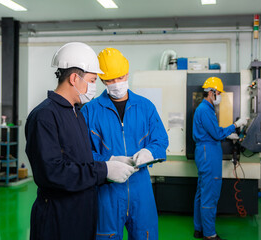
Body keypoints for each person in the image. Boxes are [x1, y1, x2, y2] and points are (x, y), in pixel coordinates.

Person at [25, 42, 135, 240]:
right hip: (58, 218)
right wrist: (104, 171)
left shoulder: (77, 113)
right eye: (93, 80)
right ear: (75, 78)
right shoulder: (45, 116)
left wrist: (109, 162)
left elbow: (79, 160)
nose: (94, 87)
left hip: (81, 213)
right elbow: (51, 173)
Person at [81, 48, 168, 240]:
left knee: (146, 235)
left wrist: (149, 152)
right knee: (106, 236)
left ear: (127, 73)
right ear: (102, 80)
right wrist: (108, 161)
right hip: (106, 190)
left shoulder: (145, 107)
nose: (115, 84)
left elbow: (160, 140)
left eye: (119, 77)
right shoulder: (89, 111)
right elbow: (82, 153)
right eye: (109, 80)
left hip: (141, 187)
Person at [192, 77, 247, 240]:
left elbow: (213, 131)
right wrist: (236, 125)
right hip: (208, 153)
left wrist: (226, 133)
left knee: (202, 193)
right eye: (218, 93)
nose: (219, 96)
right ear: (211, 93)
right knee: (210, 193)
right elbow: (216, 134)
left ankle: (199, 228)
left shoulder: (204, 109)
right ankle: (209, 234)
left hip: (204, 152)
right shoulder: (205, 109)